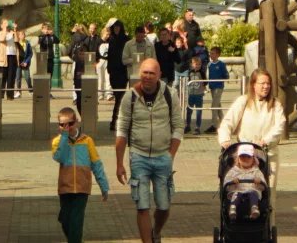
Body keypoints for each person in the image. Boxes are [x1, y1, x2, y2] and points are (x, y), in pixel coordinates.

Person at [114, 59, 181, 243]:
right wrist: (119, 163)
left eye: (152, 73)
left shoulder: (170, 94)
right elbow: (121, 131)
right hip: (139, 156)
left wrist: (171, 154)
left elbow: (178, 126)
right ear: (139, 74)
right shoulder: (130, 97)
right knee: (142, 206)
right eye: (145, 72)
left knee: (164, 206)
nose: (148, 77)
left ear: (159, 75)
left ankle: (156, 232)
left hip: (163, 157)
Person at [50, 106, 110, 243]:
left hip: (82, 188)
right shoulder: (57, 141)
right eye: (62, 125)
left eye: (70, 124)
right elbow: (59, 157)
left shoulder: (87, 141)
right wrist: (64, 137)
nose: (67, 128)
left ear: (77, 122)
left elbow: (96, 164)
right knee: (66, 220)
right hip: (65, 187)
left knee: (76, 221)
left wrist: (104, 186)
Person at [217, 68, 288, 181]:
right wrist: (225, 139)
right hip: (244, 156)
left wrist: (265, 140)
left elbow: (280, 125)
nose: (266, 86)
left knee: (268, 189)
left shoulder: (276, 104)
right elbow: (228, 122)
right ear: (253, 85)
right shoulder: (243, 101)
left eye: (268, 83)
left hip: (268, 154)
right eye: (262, 83)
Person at [221, 143, 267, 221]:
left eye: (248, 157)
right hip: (237, 191)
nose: (245, 159)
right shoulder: (233, 171)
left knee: (253, 194)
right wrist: (232, 181)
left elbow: (263, 187)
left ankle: (254, 209)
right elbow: (226, 185)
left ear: (253, 159)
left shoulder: (256, 171)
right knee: (236, 194)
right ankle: (232, 209)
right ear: (238, 159)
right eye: (242, 157)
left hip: (252, 191)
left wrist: (259, 181)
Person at [106, 21, 135, 131]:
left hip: (122, 71)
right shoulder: (111, 39)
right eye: (114, 27)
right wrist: (109, 68)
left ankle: (115, 120)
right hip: (113, 71)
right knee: (118, 96)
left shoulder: (126, 39)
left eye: (118, 27)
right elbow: (110, 55)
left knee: (120, 97)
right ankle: (117, 120)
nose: (116, 29)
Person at [204, 47, 230, 132]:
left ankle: (214, 125)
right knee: (218, 106)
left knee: (214, 106)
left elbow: (226, 75)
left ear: (218, 55)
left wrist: (222, 78)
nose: (211, 55)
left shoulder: (221, 64)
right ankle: (224, 123)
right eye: (210, 53)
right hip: (212, 87)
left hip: (219, 87)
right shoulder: (209, 65)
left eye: (213, 53)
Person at [184, 54, 206, 134]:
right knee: (189, 111)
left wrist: (203, 88)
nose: (197, 66)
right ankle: (188, 125)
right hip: (190, 94)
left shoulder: (202, 73)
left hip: (199, 95)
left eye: (199, 64)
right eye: (196, 64)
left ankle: (197, 127)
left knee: (198, 111)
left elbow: (205, 82)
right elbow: (186, 82)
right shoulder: (189, 72)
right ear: (192, 64)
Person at [0, 20, 21, 100]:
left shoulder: (12, 33)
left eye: (7, 23)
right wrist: (5, 30)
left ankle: (10, 95)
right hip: (4, 58)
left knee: (11, 77)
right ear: (1, 25)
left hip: (13, 56)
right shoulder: (0, 33)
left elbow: (17, 41)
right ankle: (1, 94)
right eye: (5, 23)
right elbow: (2, 39)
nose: (7, 24)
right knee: (3, 77)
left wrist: (14, 30)